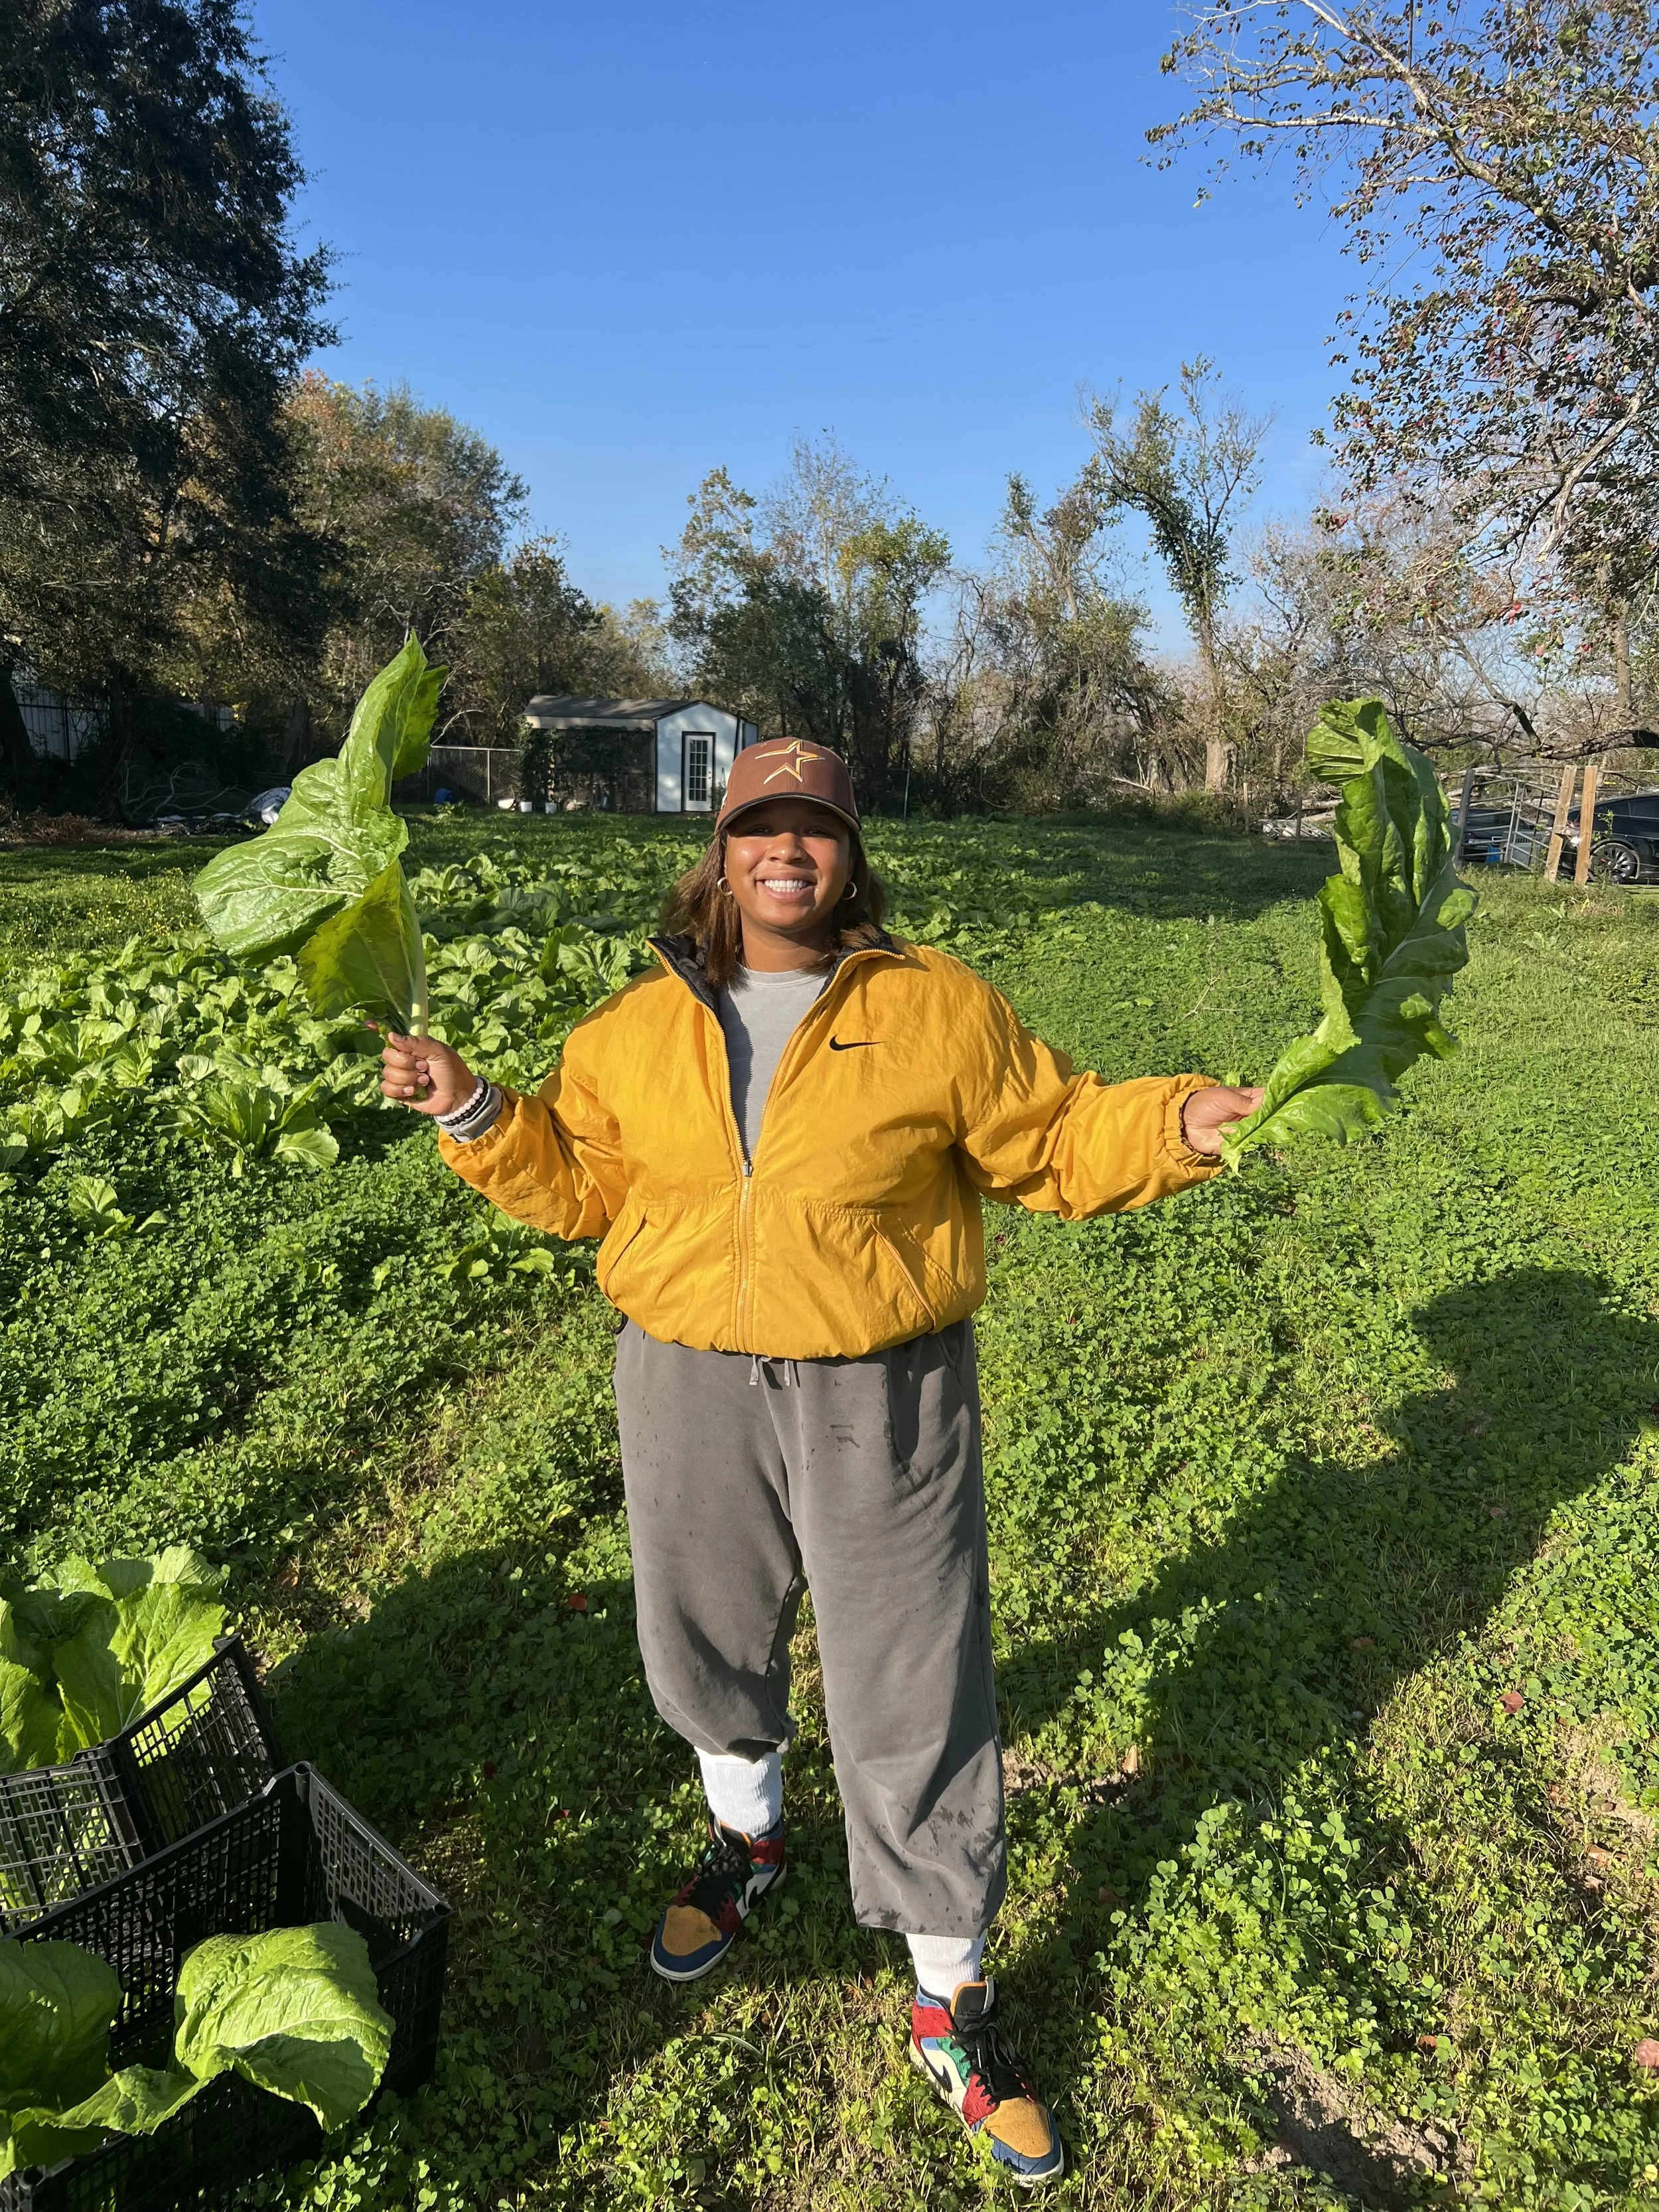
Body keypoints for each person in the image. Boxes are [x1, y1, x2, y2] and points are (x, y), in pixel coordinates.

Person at [380, 741, 1262, 2189]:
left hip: (879, 1381)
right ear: (718, 852)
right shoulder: (626, 1030)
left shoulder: (933, 1008)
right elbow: (584, 1187)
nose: (786, 849)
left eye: (816, 827)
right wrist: (476, 1109)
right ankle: (749, 1843)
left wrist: (1173, 1121)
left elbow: (1051, 1133)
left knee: (910, 1669)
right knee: (702, 1629)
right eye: (758, 826)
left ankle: (949, 1992)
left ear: (848, 854)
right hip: (684, 1372)